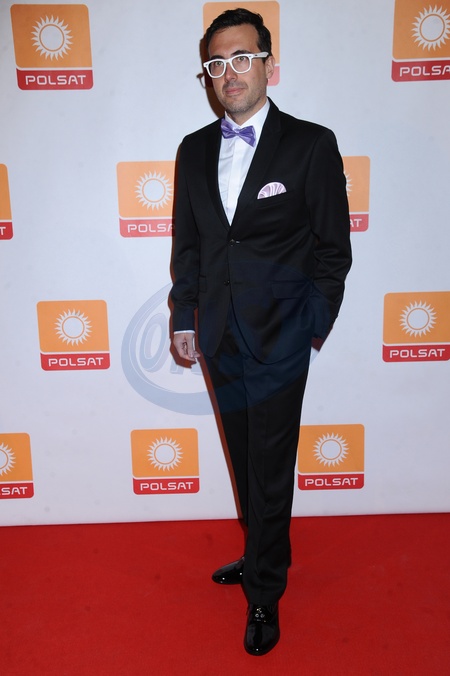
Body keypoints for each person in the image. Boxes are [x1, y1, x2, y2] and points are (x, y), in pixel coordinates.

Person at [171, 7, 352, 656]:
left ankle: (265, 590)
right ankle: (259, 551)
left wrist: (312, 326)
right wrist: (184, 316)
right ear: (208, 75)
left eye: (242, 58)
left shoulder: (310, 144)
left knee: (271, 467)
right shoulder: (193, 150)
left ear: (269, 66)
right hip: (219, 334)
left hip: (280, 337)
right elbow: (190, 245)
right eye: (217, 63)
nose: (230, 72)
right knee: (245, 456)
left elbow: (333, 250)